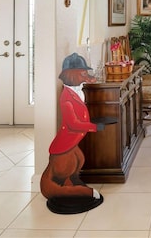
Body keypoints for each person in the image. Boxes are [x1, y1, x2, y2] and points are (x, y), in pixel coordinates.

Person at [40, 52, 105, 214]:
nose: (87, 76)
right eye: (83, 73)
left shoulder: (76, 92)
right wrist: (95, 127)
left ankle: (71, 183)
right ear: (72, 75)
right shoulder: (66, 98)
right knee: (68, 165)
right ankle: (70, 190)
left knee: (78, 160)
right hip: (65, 145)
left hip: (71, 143)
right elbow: (73, 123)